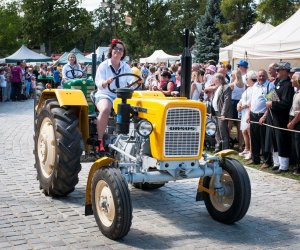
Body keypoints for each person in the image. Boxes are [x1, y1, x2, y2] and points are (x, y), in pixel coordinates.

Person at [94, 39, 133, 153]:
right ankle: (100, 141)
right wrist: (106, 82)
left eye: (121, 49)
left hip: (121, 96)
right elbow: (99, 83)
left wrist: (135, 83)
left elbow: (130, 81)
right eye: (116, 49)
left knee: (136, 109)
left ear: (123, 53)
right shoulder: (103, 66)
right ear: (111, 51)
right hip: (105, 94)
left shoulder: (126, 67)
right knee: (105, 109)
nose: (118, 51)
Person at [265, 62, 294, 173]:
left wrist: (272, 104)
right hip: (274, 116)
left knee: (281, 140)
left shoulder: (287, 85)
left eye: (279, 70)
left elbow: (286, 103)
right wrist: (269, 99)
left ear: (285, 71)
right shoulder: (277, 82)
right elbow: (272, 96)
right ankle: (276, 163)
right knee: (274, 139)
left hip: (282, 117)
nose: (276, 72)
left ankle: (284, 165)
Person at [247, 69, 274, 167]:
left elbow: (271, 104)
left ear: (266, 76)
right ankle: (255, 159)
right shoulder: (255, 86)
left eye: (263, 76)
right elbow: (251, 101)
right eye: (259, 76)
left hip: (263, 116)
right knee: (254, 139)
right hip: (253, 114)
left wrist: (264, 116)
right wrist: (249, 114)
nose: (261, 77)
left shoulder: (270, 86)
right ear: (257, 77)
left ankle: (267, 161)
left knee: (264, 140)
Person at [237, 70, 256, 160]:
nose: (246, 80)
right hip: (244, 112)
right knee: (244, 131)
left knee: (249, 131)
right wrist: (239, 104)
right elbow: (242, 98)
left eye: (247, 78)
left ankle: (252, 151)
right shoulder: (248, 88)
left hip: (249, 111)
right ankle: (246, 148)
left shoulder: (255, 88)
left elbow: (252, 101)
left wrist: (244, 106)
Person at [212, 73, 232, 151]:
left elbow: (227, 102)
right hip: (216, 112)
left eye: (215, 79)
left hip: (221, 113)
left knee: (223, 132)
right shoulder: (218, 87)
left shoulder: (226, 87)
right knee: (217, 130)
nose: (214, 80)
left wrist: (223, 114)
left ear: (220, 79)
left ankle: (225, 149)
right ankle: (218, 147)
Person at [287, 72, 300, 175]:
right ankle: (296, 165)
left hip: (297, 122)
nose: (291, 80)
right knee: (295, 145)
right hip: (293, 120)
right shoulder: (296, 92)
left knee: (298, 145)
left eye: (293, 79)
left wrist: (292, 123)